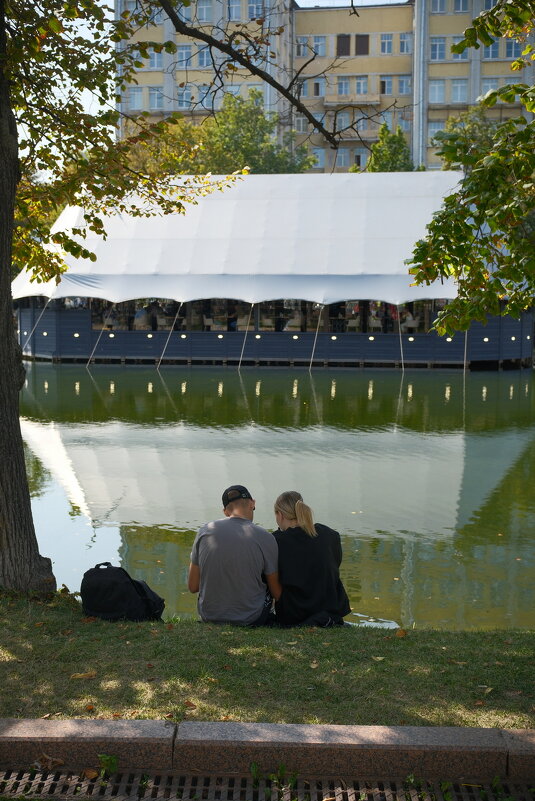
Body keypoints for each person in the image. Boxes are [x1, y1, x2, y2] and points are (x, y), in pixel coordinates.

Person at [188, 485, 282, 626]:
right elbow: (276, 593)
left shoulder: (204, 531)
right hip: (251, 618)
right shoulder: (265, 537)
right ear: (252, 504)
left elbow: (193, 586)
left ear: (225, 511)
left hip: (210, 616)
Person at [273, 490, 350, 627]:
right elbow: (334, 565)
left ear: (280, 515)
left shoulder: (276, 541)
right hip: (330, 609)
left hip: (295, 613)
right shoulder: (330, 534)